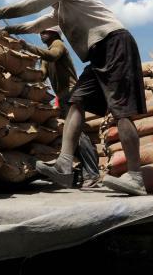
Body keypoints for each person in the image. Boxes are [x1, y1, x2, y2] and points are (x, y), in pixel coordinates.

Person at [0, 0, 147, 195]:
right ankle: (64, 164)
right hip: (96, 53)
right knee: (76, 103)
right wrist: (8, 31)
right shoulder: (60, 12)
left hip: (114, 42)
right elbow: (34, 25)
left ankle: (135, 177)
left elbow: (34, 5)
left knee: (120, 110)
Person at [21, 27, 100, 187]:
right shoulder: (45, 54)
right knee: (68, 135)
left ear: (55, 34)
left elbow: (53, 56)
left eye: (45, 31)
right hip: (61, 96)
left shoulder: (58, 45)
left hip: (71, 93)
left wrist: (29, 48)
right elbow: (42, 75)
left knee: (76, 134)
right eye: (41, 32)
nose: (41, 34)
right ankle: (75, 173)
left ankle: (92, 173)